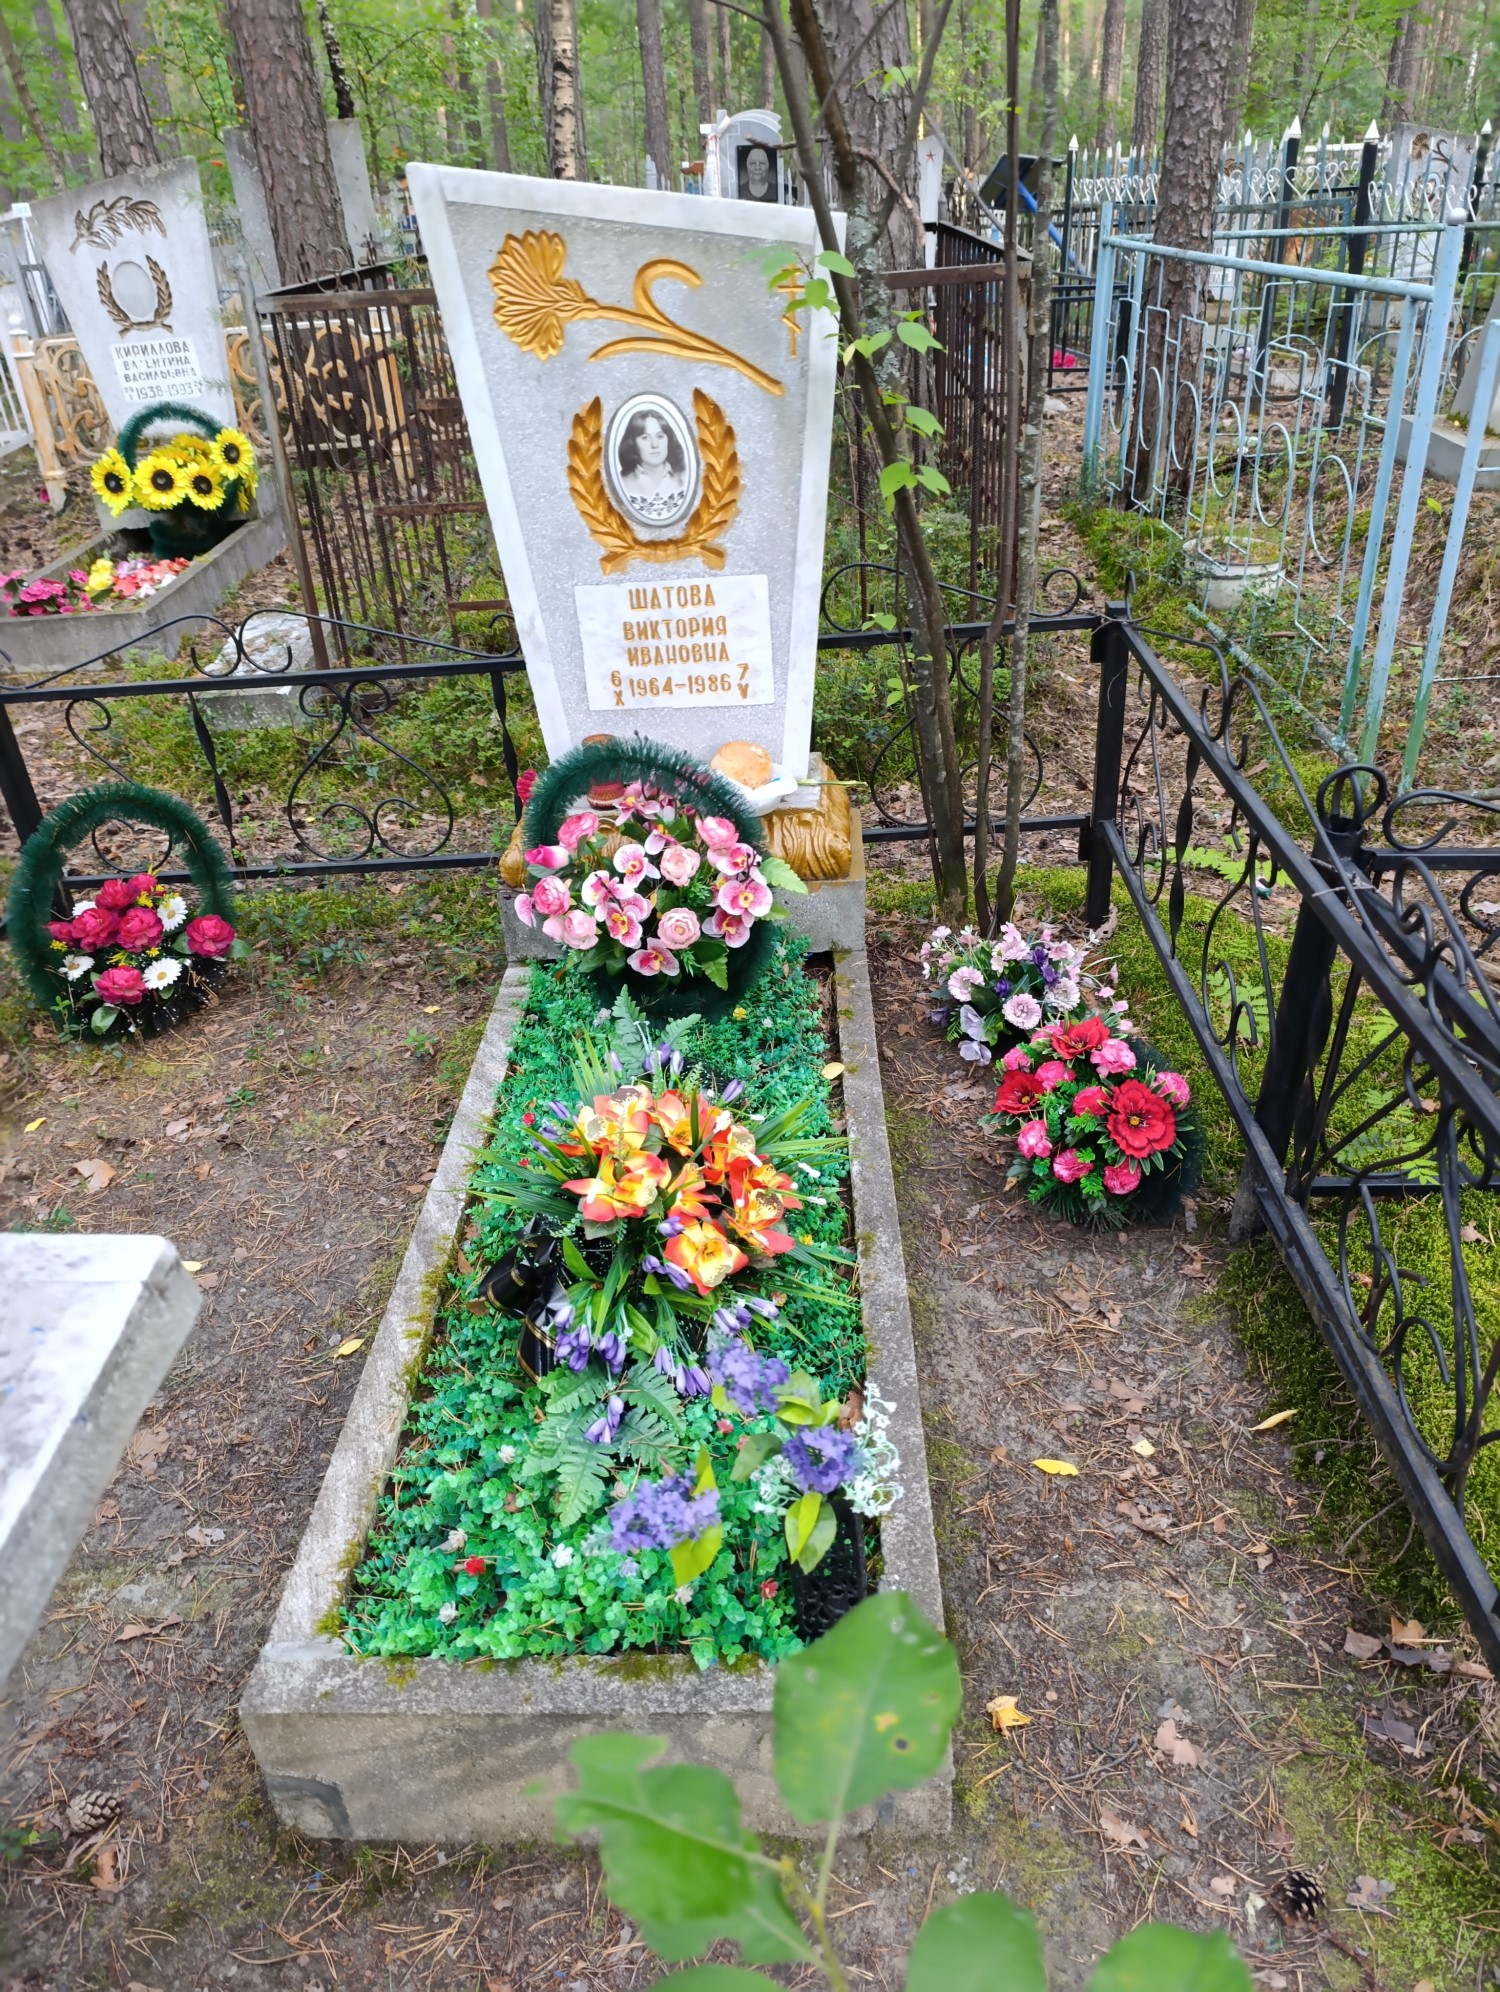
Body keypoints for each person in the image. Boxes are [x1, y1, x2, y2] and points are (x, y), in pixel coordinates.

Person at [615, 409, 689, 522]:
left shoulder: (685, 477)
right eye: (645, 437)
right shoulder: (622, 482)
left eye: (660, 436)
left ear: (668, 439)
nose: (654, 445)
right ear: (633, 443)